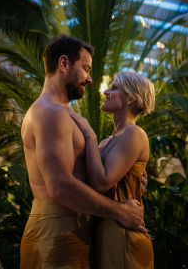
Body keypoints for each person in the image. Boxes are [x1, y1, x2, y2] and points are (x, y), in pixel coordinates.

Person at [20, 35, 147, 269]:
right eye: (86, 69)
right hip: (57, 237)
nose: (90, 79)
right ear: (64, 64)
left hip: (68, 232)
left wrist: (128, 180)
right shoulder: (51, 113)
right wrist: (120, 211)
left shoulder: (59, 112)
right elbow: (60, 185)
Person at [65, 71, 155, 269]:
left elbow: (101, 182)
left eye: (114, 88)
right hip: (107, 230)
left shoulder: (134, 133)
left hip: (123, 236)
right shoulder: (108, 141)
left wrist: (89, 135)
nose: (106, 91)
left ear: (131, 98)